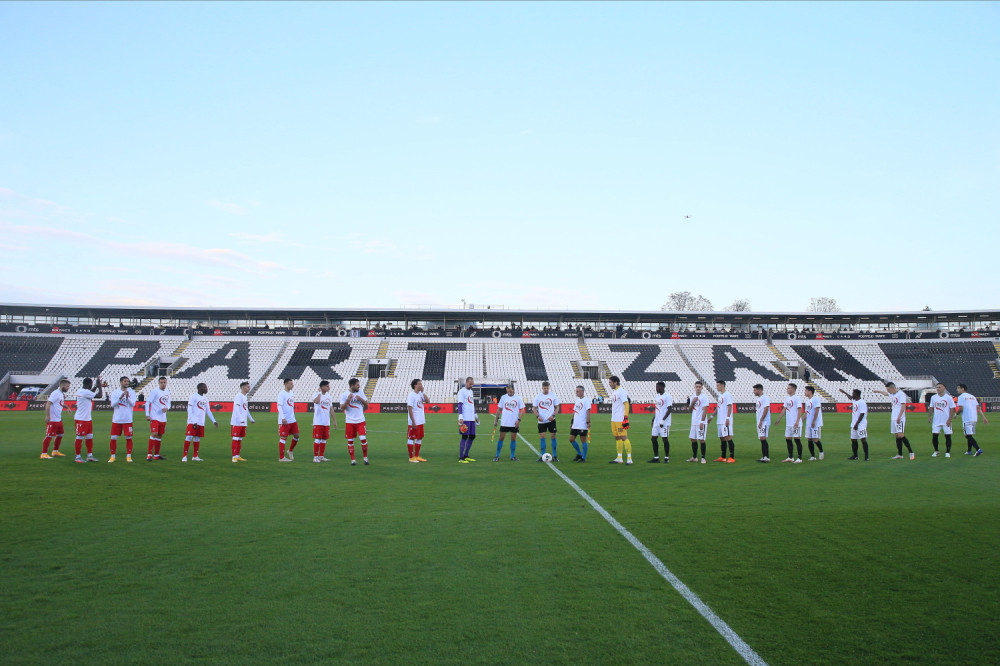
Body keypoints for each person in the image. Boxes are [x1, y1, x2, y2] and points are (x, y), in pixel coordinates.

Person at [874, 382, 913, 460]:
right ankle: (900, 454)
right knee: (897, 436)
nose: (888, 391)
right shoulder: (892, 394)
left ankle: (911, 452)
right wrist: (878, 391)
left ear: (892, 388)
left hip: (899, 418)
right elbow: (886, 394)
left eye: (888, 389)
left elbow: (903, 406)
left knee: (901, 435)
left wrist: (899, 417)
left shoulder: (901, 394)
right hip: (893, 417)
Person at [182, 382, 217, 461]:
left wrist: (214, 421)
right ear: (200, 388)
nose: (206, 389)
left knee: (197, 438)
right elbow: (189, 409)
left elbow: (208, 411)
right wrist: (194, 421)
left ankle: (195, 456)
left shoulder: (205, 399)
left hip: (201, 422)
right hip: (192, 421)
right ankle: (184, 456)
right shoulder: (193, 396)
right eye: (204, 387)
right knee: (189, 437)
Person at [72, 377, 103, 463]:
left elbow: (90, 393)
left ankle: (90, 456)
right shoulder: (85, 392)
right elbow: (99, 396)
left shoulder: (82, 391)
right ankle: (77, 457)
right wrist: (99, 386)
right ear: (88, 384)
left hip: (87, 418)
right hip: (81, 418)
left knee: (89, 436)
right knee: (80, 436)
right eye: (91, 384)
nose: (91, 385)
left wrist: (96, 386)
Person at [340, 378, 369, 465]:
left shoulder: (361, 392)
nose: (359, 386)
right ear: (352, 385)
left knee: (363, 439)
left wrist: (361, 399)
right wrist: (348, 400)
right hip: (349, 421)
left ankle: (365, 458)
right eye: (357, 385)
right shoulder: (345, 394)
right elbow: (342, 408)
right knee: (350, 441)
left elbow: (367, 405)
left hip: (360, 420)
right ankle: (353, 460)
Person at [108, 376, 137, 463]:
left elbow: (133, 404)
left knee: (128, 437)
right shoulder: (115, 392)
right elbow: (113, 405)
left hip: (127, 419)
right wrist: (120, 398)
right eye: (125, 381)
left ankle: (128, 456)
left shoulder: (131, 392)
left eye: (127, 381)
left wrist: (127, 398)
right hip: (117, 419)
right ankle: (112, 456)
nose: (126, 383)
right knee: (113, 437)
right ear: (121, 382)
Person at [39, 378, 70, 459]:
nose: (68, 388)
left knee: (60, 434)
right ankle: (43, 453)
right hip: (52, 419)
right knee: (49, 436)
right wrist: (48, 416)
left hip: (58, 419)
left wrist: (67, 407)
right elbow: (48, 403)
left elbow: (60, 403)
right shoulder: (55, 393)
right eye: (67, 386)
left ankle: (55, 451)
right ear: (62, 385)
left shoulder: (61, 394)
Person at [773, 383, 803, 463]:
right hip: (789, 423)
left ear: (793, 389)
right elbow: (784, 409)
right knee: (788, 439)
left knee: (797, 440)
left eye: (789, 388)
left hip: (795, 423)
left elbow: (800, 410)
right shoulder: (787, 398)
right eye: (787, 388)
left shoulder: (797, 398)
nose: (787, 389)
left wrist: (797, 421)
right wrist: (779, 419)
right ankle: (790, 457)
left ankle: (799, 458)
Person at [494, 384, 525, 461]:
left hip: (514, 423)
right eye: (508, 390)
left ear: (513, 390)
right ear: (506, 390)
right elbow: (499, 409)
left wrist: (518, 420)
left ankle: (512, 456)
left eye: (510, 390)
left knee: (513, 438)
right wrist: (496, 420)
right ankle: (497, 455)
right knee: (501, 438)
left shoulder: (518, 398)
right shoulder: (503, 397)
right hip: (504, 422)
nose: (509, 392)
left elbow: (523, 410)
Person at [956, 383, 989, 455]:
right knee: (969, 435)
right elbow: (978, 408)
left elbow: (961, 408)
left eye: (958, 388)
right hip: (974, 418)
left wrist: (956, 414)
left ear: (962, 389)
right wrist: (984, 417)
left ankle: (978, 449)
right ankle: (969, 450)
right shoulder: (972, 397)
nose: (957, 390)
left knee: (968, 435)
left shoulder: (961, 397)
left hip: (967, 418)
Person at [532, 381, 560, 462]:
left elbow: (557, 407)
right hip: (542, 421)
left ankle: (554, 456)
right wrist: (537, 416)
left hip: (551, 420)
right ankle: (542, 455)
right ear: (542, 388)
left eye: (547, 388)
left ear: (549, 387)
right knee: (542, 437)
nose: (546, 389)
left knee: (553, 436)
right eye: (544, 388)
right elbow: (534, 408)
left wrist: (553, 416)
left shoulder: (553, 396)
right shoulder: (538, 396)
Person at [311, 380, 338, 463]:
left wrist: (334, 420)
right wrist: (320, 393)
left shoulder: (329, 396)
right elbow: (316, 401)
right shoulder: (316, 395)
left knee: (324, 439)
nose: (328, 387)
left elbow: (331, 409)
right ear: (322, 387)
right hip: (318, 421)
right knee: (318, 438)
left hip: (326, 421)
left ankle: (321, 456)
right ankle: (315, 457)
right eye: (327, 386)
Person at [838, 388, 869, 461]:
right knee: (853, 440)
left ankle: (866, 456)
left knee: (863, 439)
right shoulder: (855, 400)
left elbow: (862, 414)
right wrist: (844, 392)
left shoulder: (862, 402)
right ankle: (855, 456)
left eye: (853, 393)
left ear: (856, 394)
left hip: (861, 424)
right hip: (854, 424)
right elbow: (850, 397)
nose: (852, 394)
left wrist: (857, 424)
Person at [144, 376, 170, 461]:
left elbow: (169, 403)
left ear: (166, 383)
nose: (163, 384)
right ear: (159, 383)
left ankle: (156, 455)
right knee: (154, 433)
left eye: (164, 382)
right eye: (161, 383)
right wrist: (147, 415)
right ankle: (149, 454)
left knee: (159, 435)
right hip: (155, 417)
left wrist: (167, 408)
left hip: (163, 418)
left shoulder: (167, 392)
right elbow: (148, 403)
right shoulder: (155, 391)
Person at [608, 375, 632, 464]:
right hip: (614, 418)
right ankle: (619, 457)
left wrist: (625, 417)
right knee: (617, 437)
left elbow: (626, 404)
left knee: (624, 437)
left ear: (615, 382)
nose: (609, 384)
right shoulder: (615, 392)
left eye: (610, 382)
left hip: (620, 419)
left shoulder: (621, 392)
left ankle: (629, 459)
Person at [686, 381, 711, 464]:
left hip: (701, 422)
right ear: (694, 387)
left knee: (701, 440)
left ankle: (703, 458)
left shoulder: (704, 397)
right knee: (693, 439)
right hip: (694, 421)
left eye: (699, 386)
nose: (698, 388)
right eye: (697, 386)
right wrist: (692, 402)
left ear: (702, 388)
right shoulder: (693, 396)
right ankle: (694, 457)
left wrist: (702, 422)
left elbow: (705, 410)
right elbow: (690, 410)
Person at [928, 382, 954, 457]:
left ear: (944, 388)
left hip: (946, 420)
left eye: (940, 387)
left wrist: (949, 419)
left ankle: (947, 452)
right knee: (935, 436)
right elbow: (931, 407)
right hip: (936, 420)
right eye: (937, 387)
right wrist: (929, 416)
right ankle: (936, 451)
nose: (938, 389)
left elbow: (952, 409)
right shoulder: (933, 397)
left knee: (947, 436)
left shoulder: (948, 398)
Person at [456, 377, 479, 463]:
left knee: (472, 436)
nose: (471, 385)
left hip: (471, 418)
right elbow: (460, 404)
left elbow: (472, 405)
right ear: (466, 382)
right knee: (464, 436)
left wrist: (476, 416)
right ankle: (461, 458)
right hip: (465, 418)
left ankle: (466, 455)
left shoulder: (471, 391)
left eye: (472, 384)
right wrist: (460, 417)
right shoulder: (461, 392)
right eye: (470, 384)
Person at [231, 381, 255, 462]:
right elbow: (236, 408)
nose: (249, 388)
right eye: (248, 386)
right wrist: (240, 418)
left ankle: (238, 455)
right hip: (237, 422)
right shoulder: (239, 396)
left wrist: (250, 418)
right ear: (243, 387)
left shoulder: (245, 397)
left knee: (240, 439)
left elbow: (245, 409)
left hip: (243, 422)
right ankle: (234, 456)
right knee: (235, 438)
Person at [649, 381, 672, 463]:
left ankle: (666, 457)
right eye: (656, 387)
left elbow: (669, 409)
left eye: (658, 387)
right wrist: (654, 419)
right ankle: (656, 457)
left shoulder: (667, 396)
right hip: (656, 421)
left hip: (664, 422)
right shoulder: (657, 396)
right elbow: (657, 409)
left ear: (662, 387)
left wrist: (663, 420)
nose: (656, 389)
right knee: (653, 438)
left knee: (665, 439)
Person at [277, 378, 299, 462]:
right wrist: (283, 418)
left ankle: (290, 450)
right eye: (290, 384)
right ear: (286, 384)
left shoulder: (291, 393)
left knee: (297, 435)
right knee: (283, 437)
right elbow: (279, 406)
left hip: (292, 419)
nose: (292, 385)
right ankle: (281, 457)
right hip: (284, 419)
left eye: (292, 384)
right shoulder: (281, 394)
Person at [406, 379, 428, 462]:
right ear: (415, 385)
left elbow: (428, 401)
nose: (421, 385)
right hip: (414, 421)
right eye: (419, 384)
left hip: (421, 420)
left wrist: (423, 392)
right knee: (411, 438)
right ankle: (411, 457)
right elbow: (410, 409)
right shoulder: (411, 395)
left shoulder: (420, 394)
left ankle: (417, 456)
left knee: (420, 437)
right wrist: (413, 422)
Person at [714, 380, 735, 463]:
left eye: (718, 385)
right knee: (722, 438)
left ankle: (732, 457)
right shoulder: (720, 396)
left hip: (725, 420)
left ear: (722, 386)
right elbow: (718, 408)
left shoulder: (727, 395)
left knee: (728, 437)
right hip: (720, 420)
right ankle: (723, 456)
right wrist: (711, 417)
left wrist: (727, 418)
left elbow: (729, 407)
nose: (717, 387)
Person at [569, 385, 590, 462]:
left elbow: (588, 411)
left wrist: (588, 422)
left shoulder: (586, 400)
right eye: (576, 391)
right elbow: (575, 412)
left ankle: (583, 458)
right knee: (571, 439)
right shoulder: (577, 400)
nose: (576, 393)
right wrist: (572, 422)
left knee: (583, 440)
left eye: (577, 391)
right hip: (575, 424)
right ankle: (579, 453)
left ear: (582, 391)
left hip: (582, 424)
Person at [804, 386, 824, 461]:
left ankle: (821, 451)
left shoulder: (816, 399)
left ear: (810, 391)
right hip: (808, 423)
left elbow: (817, 410)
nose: (804, 392)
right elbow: (806, 412)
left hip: (816, 423)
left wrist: (814, 421)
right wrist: (801, 420)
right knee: (809, 439)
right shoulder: (807, 402)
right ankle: (813, 456)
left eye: (806, 390)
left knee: (815, 439)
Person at [753, 383, 771, 462]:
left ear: (759, 390)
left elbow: (766, 409)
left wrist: (761, 420)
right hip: (760, 422)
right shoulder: (759, 399)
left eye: (755, 390)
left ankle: (766, 457)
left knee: (763, 438)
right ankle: (764, 457)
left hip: (764, 421)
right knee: (761, 438)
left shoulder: (765, 398)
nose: (754, 392)